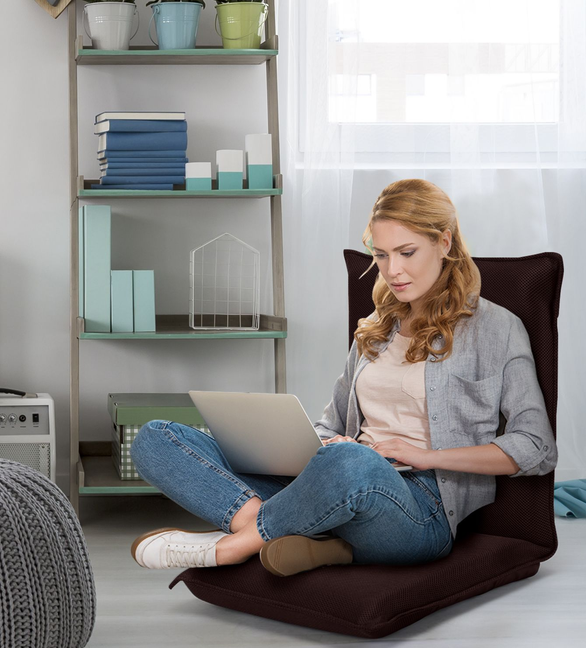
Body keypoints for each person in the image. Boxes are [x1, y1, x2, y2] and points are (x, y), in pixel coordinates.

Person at [129, 178, 558, 576]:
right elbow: (331, 426)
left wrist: (426, 456)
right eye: (381, 255)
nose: (392, 271)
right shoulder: (376, 326)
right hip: (333, 481)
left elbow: (536, 446)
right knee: (155, 438)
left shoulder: (496, 328)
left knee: (350, 463)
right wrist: (317, 442)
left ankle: (231, 547)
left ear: (444, 242)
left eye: (407, 252)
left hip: (419, 508)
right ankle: (289, 528)